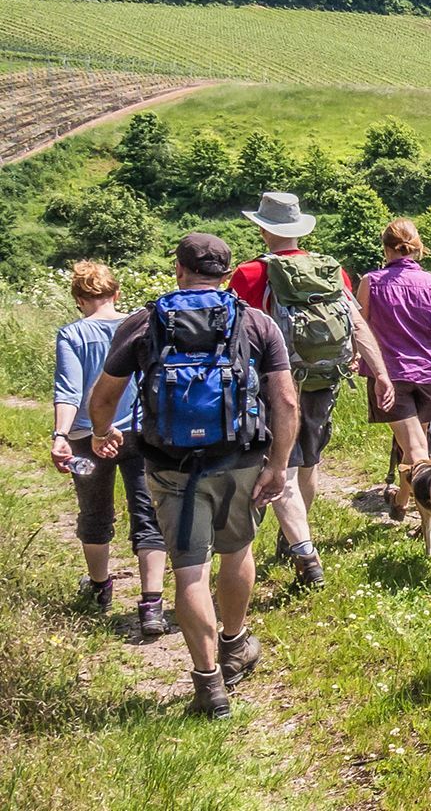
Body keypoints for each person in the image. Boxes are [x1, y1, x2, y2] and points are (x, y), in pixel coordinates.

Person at [90, 234, 298, 719]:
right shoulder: (255, 322)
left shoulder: (144, 323)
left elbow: (104, 396)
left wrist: (102, 433)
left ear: (179, 269)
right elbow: (285, 402)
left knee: (189, 571)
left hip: (169, 465)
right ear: (226, 274)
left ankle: (209, 687)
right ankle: (234, 643)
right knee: (236, 553)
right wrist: (278, 464)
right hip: (239, 458)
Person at [227, 191, 394, 589]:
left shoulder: (251, 274)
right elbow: (355, 324)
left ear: (264, 229)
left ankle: (302, 550)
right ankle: (293, 539)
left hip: (275, 382)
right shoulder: (330, 270)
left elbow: (233, 333)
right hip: (324, 377)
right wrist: (381, 372)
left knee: (279, 464)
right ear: (299, 229)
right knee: (309, 461)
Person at [51, 260, 167, 638]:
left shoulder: (72, 334)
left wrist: (61, 435)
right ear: (116, 293)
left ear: (79, 299)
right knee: (148, 513)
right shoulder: (140, 325)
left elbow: (69, 391)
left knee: (95, 513)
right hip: (141, 431)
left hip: (89, 436)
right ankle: (152, 603)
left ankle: (100, 589)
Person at [356, 218, 431, 516]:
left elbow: (359, 327)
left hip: (389, 375)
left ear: (386, 249)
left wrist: (354, 356)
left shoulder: (371, 282)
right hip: (429, 376)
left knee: (416, 451)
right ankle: (402, 503)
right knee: (414, 446)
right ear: (416, 248)